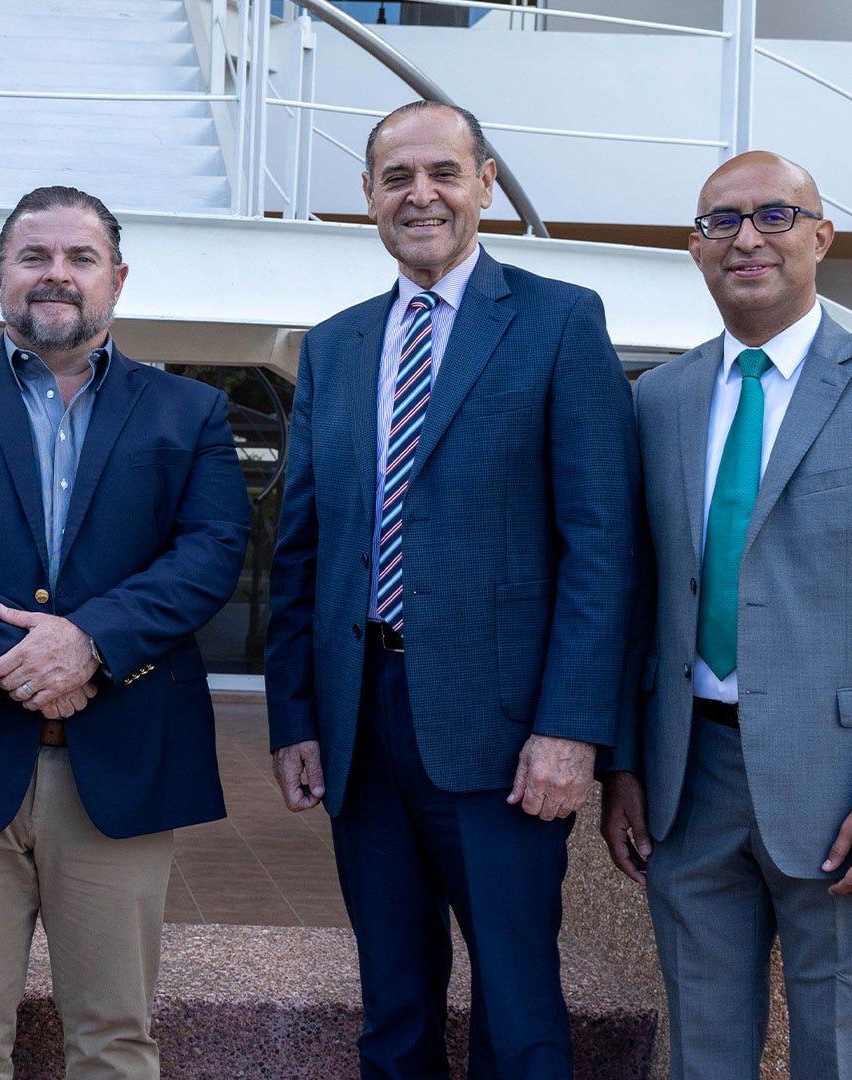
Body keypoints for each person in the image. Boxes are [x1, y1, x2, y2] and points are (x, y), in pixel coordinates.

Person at [264, 102, 638, 1078]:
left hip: (506, 733)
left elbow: (601, 546)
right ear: (369, 199)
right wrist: (295, 717)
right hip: (360, 725)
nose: (419, 194)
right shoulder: (337, 345)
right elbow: (301, 549)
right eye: (397, 177)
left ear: (484, 182)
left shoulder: (560, 321)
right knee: (392, 1001)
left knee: (518, 1007)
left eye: (442, 172)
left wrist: (571, 727)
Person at [600, 151, 852, 1079]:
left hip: (848, 794)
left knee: (846, 1057)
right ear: (696, 251)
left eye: (775, 216)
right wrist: (624, 766)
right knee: (703, 1055)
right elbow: (636, 602)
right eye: (721, 222)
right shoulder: (658, 401)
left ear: (822, 237)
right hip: (687, 784)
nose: (747, 239)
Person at [0, 185, 250, 1079]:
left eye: (79, 258)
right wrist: (13, 659)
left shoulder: (191, 412)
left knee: (115, 1040)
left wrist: (91, 644)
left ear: (118, 277)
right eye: (35, 258)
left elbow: (212, 551)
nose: (56, 276)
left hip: (123, 759)